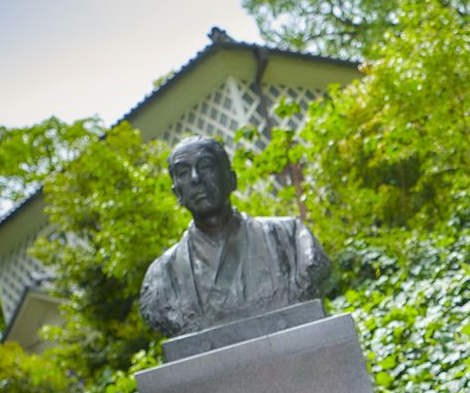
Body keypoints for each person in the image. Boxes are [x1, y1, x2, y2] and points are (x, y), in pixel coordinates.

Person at [139, 136, 331, 337]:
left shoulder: (292, 239)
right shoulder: (162, 276)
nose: (196, 178)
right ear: (177, 193)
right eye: (183, 173)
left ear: (231, 179)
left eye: (206, 167)